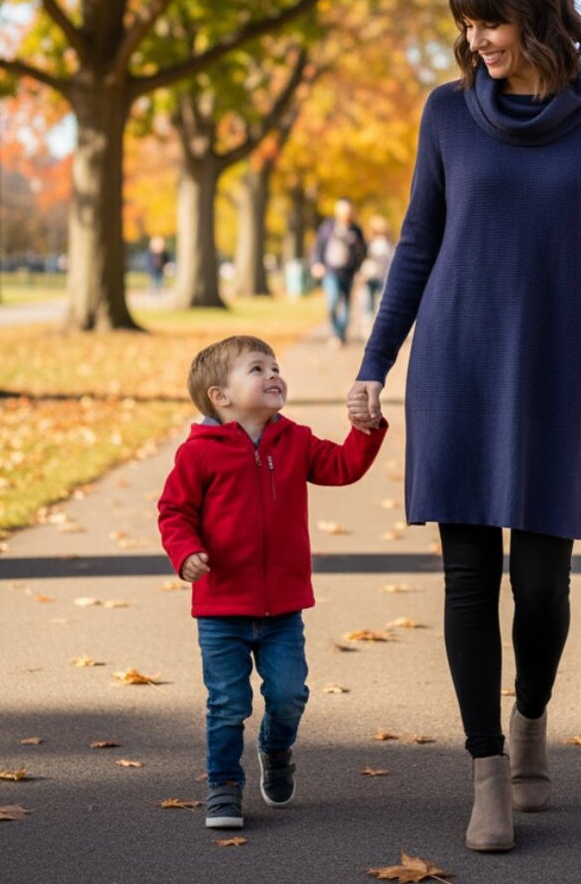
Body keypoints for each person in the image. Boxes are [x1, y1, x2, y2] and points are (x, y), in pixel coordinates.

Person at [346, 0, 581, 853]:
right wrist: (376, 363)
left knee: (543, 585)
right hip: (459, 364)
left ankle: (531, 717)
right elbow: (415, 245)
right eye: (466, 24)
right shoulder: (446, 114)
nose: (475, 38)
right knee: (467, 578)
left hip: (558, 370)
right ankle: (487, 770)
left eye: (488, 20)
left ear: (538, 12)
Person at [158, 335, 388, 831]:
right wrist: (185, 553)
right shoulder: (199, 454)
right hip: (222, 608)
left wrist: (364, 431)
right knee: (227, 704)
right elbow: (174, 511)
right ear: (220, 396)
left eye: (275, 366)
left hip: (283, 608)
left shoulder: (295, 440)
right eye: (257, 369)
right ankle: (223, 785)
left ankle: (276, 747)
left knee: (289, 695)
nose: (273, 375)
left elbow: (343, 467)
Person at [310, 198, 367, 346]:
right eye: (342, 211)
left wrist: (360, 269)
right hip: (331, 271)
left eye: (347, 211)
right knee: (333, 300)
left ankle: (341, 334)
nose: (345, 214)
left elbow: (362, 252)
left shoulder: (356, 230)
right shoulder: (328, 227)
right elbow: (318, 246)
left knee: (347, 303)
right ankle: (335, 332)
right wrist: (316, 263)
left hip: (348, 271)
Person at [360, 215, 396, 332]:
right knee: (369, 304)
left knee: (377, 304)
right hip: (372, 276)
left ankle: (375, 329)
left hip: (381, 276)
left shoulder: (386, 244)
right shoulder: (370, 243)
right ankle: (369, 328)